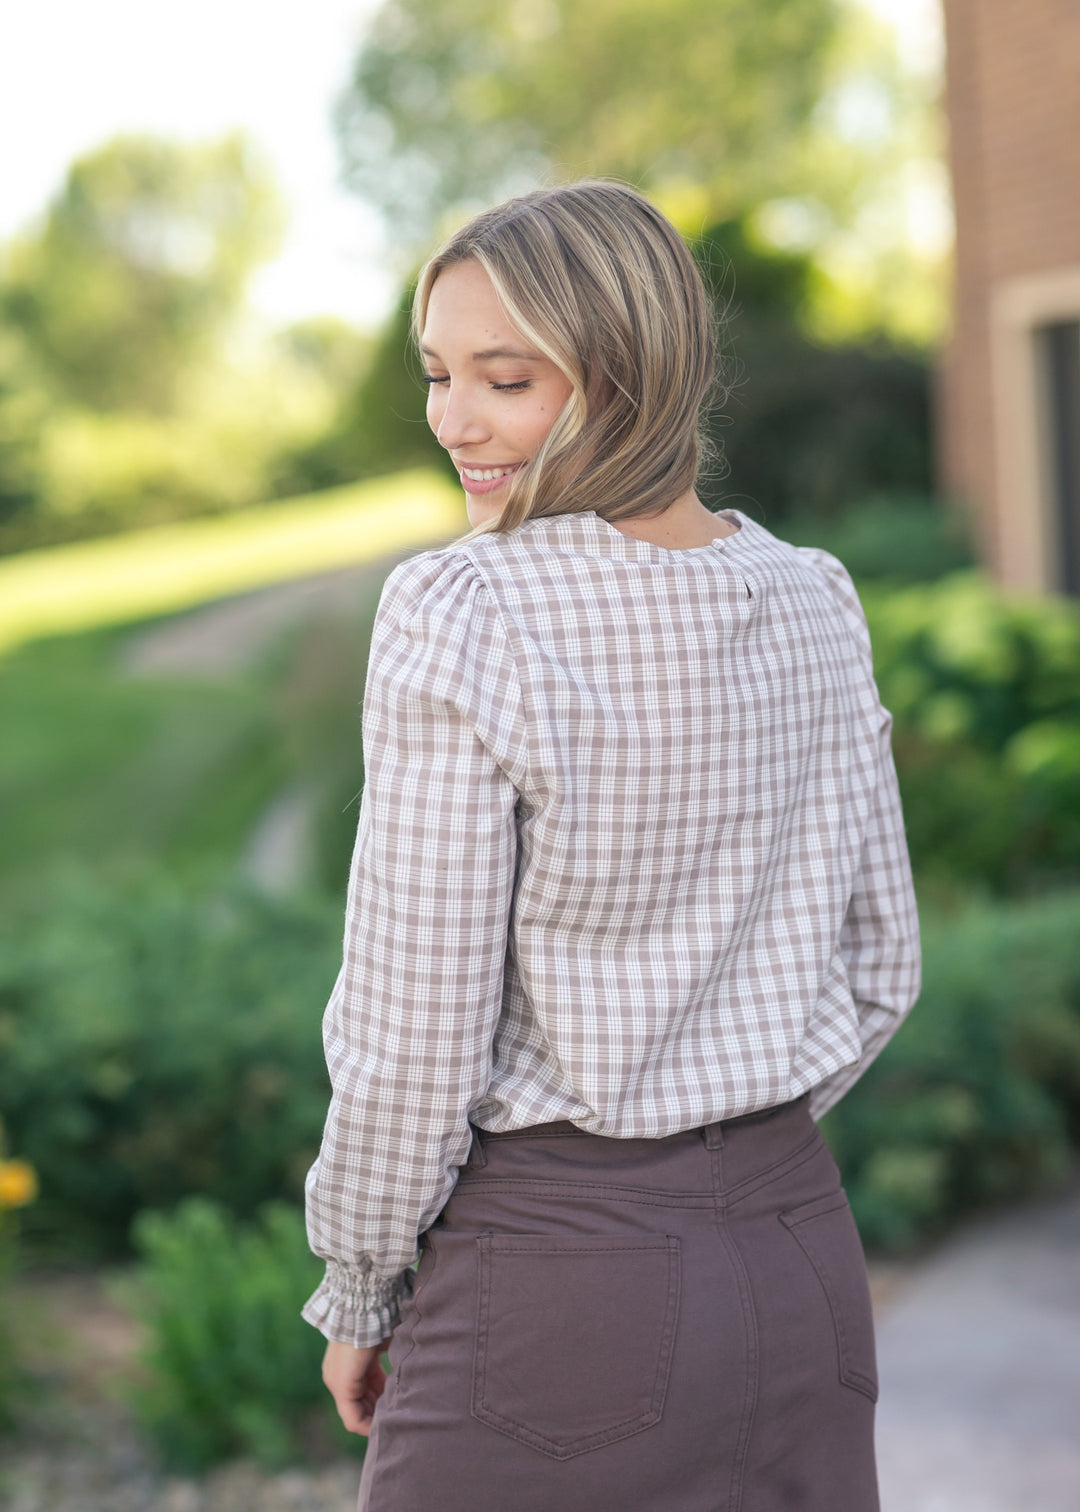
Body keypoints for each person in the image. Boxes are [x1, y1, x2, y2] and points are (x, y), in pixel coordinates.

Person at [302, 180, 921, 1511]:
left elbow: (416, 1032)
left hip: (557, 1286)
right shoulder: (815, 596)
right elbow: (883, 966)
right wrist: (723, 1152)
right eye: (439, 374)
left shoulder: (463, 607)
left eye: (505, 380)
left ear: (627, 375)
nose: (452, 421)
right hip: (798, 1260)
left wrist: (360, 1283)